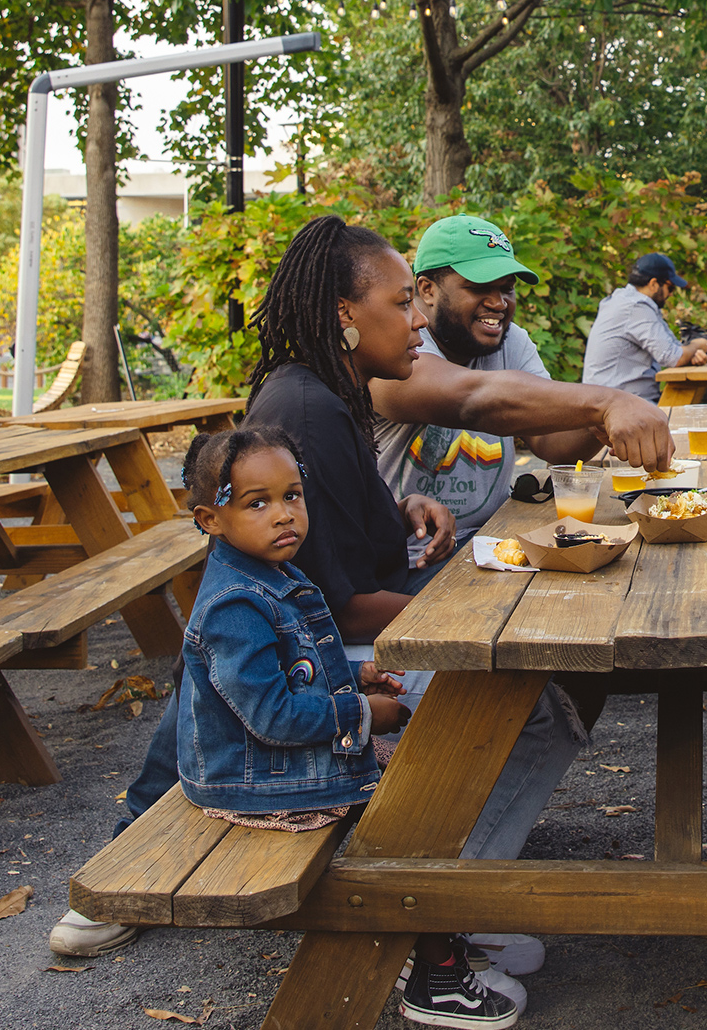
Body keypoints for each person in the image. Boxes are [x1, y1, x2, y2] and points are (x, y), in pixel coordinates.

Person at [54, 220, 580, 981]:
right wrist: (471, 608)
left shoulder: (327, 394)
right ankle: (427, 919)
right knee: (530, 706)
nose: (420, 320)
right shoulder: (307, 412)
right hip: (292, 675)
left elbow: (335, 523)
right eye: (403, 303)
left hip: (299, 653)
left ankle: (448, 902)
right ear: (344, 312)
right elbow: (321, 612)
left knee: (534, 690)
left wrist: (404, 510)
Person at [172, 424, 519, 1028]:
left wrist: (355, 682)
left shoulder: (272, 571)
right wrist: (361, 715)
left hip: (267, 762)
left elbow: (296, 670)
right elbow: (273, 716)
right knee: (404, 816)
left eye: (292, 495)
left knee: (428, 777)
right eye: (258, 503)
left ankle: (434, 936)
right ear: (210, 519)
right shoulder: (235, 603)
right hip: (250, 779)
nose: (284, 515)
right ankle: (433, 970)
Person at [374, 215, 674, 593]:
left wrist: (596, 426)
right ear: (427, 288)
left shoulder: (508, 340)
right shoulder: (396, 347)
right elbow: (472, 400)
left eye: (508, 288)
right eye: (480, 286)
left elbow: (550, 442)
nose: (498, 303)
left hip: (493, 545)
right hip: (412, 566)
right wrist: (606, 402)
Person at [579, 252, 707, 401]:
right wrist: (697, 345)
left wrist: (690, 355)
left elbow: (674, 349)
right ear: (654, 284)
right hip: (618, 407)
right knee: (698, 416)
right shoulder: (635, 307)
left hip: (620, 401)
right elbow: (673, 357)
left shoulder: (628, 301)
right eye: (671, 287)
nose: (671, 294)